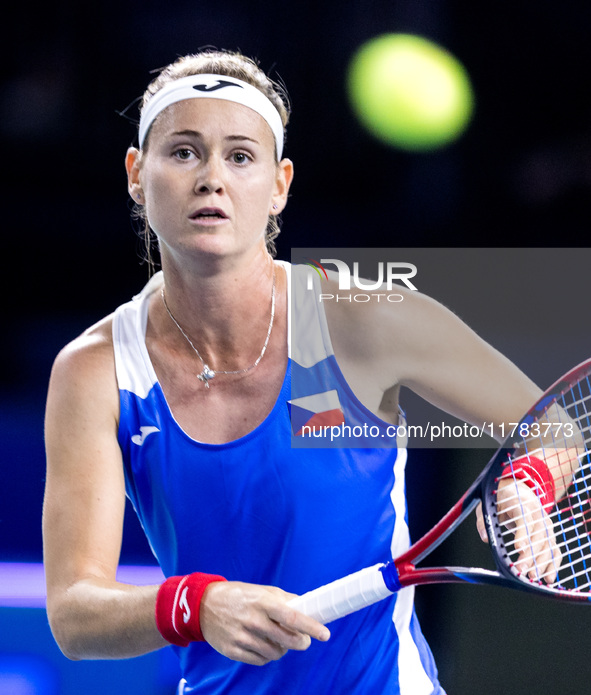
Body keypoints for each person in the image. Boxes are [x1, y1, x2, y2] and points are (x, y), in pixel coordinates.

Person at [42, 49, 553, 694]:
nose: (211, 179)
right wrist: (195, 606)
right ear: (136, 174)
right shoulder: (96, 371)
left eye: (240, 156)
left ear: (279, 184)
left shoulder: (364, 322)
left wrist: (528, 485)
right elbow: (74, 614)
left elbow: (551, 425)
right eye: (182, 152)